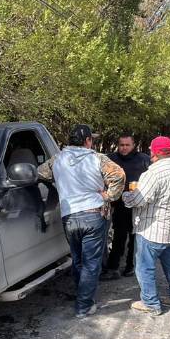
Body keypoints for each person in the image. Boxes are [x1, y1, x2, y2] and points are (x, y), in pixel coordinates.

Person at [38, 124, 125, 318]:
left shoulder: (57, 159)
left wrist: (59, 184)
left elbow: (40, 173)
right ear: (87, 141)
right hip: (94, 215)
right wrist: (109, 196)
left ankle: (81, 295)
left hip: (69, 217)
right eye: (91, 139)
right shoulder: (97, 158)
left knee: (77, 260)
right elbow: (119, 175)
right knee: (91, 263)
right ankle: (84, 305)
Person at [122, 136, 170, 316]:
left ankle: (151, 303)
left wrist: (126, 195)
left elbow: (139, 199)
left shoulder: (153, 173)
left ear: (156, 153)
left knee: (144, 267)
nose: (150, 153)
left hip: (152, 230)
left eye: (151, 151)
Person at [101, 134, 150, 281]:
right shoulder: (111, 159)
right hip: (119, 206)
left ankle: (131, 266)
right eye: (121, 145)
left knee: (136, 239)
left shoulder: (143, 159)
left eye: (127, 145)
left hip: (139, 206)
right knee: (119, 238)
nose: (124, 148)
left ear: (133, 145)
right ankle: (113, 268)